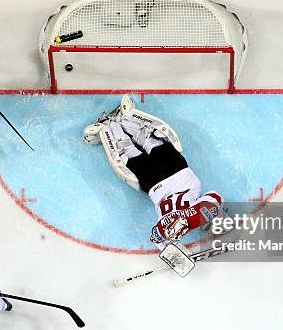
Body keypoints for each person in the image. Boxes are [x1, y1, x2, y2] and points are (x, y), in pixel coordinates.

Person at [84, 95, 229, 250]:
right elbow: (215, 198)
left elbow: (214, 201)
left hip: (159, 182)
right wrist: (184, 222)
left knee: (134, 149)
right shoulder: (180, 226)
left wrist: (177, 236)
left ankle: (109, 125)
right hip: (176, 174)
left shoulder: (170, 232)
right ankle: (121, 120)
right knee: (146, 144)